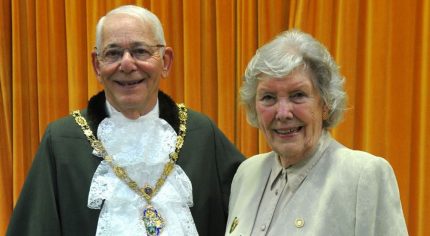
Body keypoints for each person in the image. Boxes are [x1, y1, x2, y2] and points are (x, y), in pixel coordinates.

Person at [7, 5, 244, 236]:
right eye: (113, 53)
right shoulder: (62, 140)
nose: (127, 64)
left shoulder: (201, 133)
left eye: (140, 51)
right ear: (97, 65)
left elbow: (253, 204)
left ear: (166, 61)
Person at [225, 29, 408, 235]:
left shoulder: (363, 176)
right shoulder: (246, 174)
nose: (283, 113)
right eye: (268, 97)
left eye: (298, 95)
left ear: (326, 103)